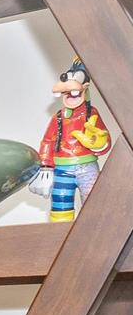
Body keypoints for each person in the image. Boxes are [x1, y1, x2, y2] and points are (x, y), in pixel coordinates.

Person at [37, 60, 112, 221]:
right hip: (62, 169)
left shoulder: (92, 113)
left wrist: (99, 142)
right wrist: (45, 166)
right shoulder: (58, 116)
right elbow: (48, 141)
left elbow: (104, 140)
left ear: (85, 88)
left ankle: (94, 235)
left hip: (88, 168)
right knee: (60, 203)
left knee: (94, 205)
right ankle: (61, 238)